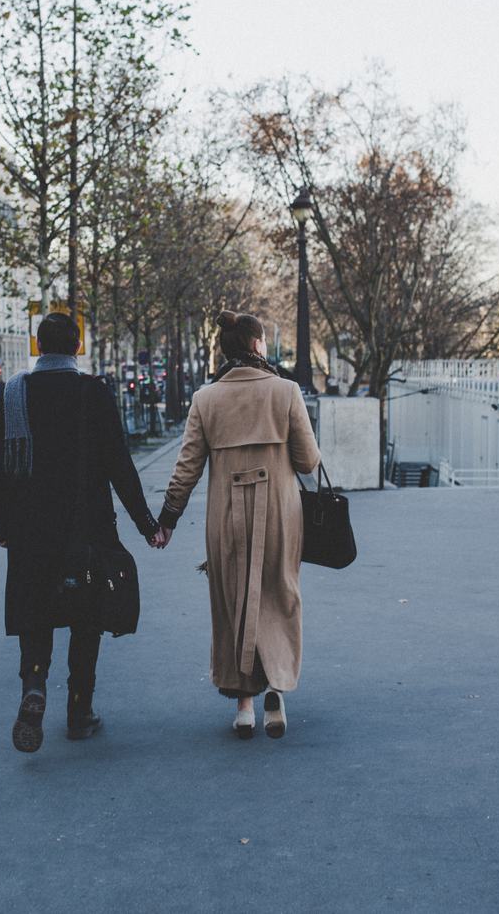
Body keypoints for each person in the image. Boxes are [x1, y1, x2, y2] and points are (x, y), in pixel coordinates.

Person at [0, 313, 160, 753]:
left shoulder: (15, 393)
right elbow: (119, 464)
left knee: (36, 611)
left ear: (38, 346)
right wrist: (147, 524)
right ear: (77, 347)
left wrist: (2, 526)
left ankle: (35, 683)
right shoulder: (93, 392)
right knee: (87, 617)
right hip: (87, 526)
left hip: (30, 528)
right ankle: (80, 712)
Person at [155, 310, 321, 740]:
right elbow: (308, 461)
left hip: (225, 516)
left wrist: (167, 520)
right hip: (280, 515)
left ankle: (244, 707)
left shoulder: (206, 399)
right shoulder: (285, 391)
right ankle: (277, 691)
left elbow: (186, 468)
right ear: (255, 346)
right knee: (278, 595)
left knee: (232, 602)